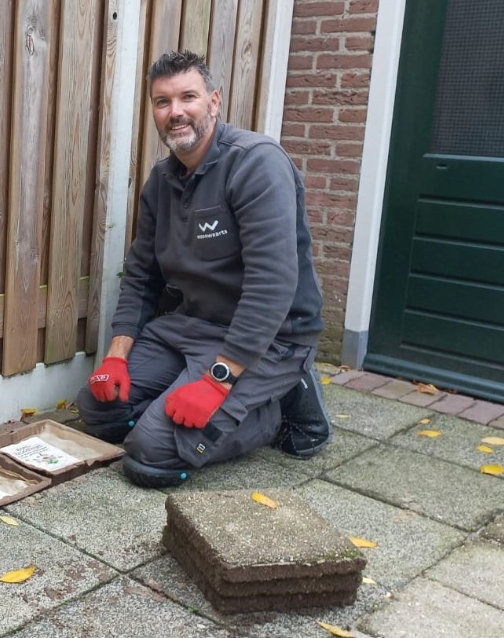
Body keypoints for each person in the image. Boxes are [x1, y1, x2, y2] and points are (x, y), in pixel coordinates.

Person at [76, 50, 331, 489]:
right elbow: (141, 275)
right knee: (100, 411)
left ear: (213, 102)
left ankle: (279, 401)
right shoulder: (162, 181)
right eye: (162, 101)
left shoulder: (256, 163)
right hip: (193, 325)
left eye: (187, 97)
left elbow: (273, 286)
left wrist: (216, 383)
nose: (175, 112)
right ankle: (214, 395)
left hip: (270, 339)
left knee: (150, 455)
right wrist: (116, 358)